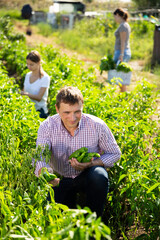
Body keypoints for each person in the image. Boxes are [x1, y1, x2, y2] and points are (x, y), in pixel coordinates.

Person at [34, 86, 121, 217]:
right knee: (58, 216)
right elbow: (40, 157)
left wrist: (90, 164)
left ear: (82, 107)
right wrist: (48, 177)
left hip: (86, 177)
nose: (73, 118)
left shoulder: (96, 125)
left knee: (99, 175)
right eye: (67, 112)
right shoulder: (47, 126)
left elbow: (114, 153)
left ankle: (93, 222)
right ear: (57, 109)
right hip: (60, 179)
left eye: (77, 111)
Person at [20, 50, 50, 118]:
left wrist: (26, 94)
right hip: (28, 108)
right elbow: (24, 90)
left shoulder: (45, 78)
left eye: (31, 64)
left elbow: (39, 98)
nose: (29, 66)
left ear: (38, 63)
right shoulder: (28, 75)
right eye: (27, 64)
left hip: (40, 110)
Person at [113, 8, 131, 92]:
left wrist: (121, 54)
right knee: (120, 74)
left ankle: (123, 94)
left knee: (121, 75)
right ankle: (122, 93)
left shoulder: (123, 26)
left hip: (122, 52)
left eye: (115, 17)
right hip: (122, 51)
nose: (114, 19)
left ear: (118, 15)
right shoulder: (124, 25)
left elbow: (123, 41)